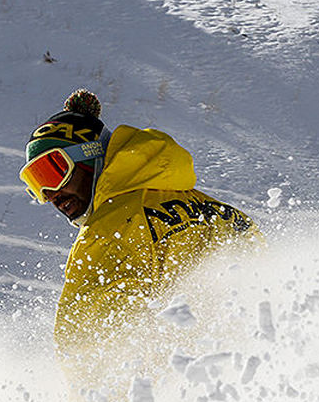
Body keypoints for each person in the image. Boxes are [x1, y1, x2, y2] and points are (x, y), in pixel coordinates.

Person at [19, 89, 262, 370]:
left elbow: (82, 347)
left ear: (91, 156)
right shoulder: (217, 210)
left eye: (53, 172)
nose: (50, 194)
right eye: (37, 183)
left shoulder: (108, 232)